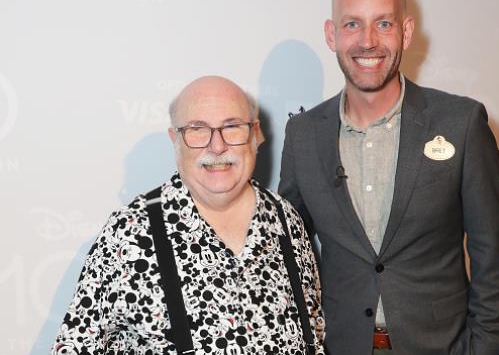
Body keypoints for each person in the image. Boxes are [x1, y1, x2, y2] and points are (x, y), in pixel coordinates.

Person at [279, 0, 499, 355]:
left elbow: (491, 252)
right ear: (331, 34)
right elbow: (289, 253)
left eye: (383, 24)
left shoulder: (462, 123)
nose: (367, 41)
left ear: (405, 32)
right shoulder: (302, 134)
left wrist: (483, 348)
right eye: (352, 24)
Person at [53, 76, 325, 354]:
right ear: (175, 140)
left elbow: (313, 335)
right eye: (197, 129)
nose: (217, 146)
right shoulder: (130, 232)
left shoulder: (286, 220)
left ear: (255, 133)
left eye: (231, 127)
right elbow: (76, 346)